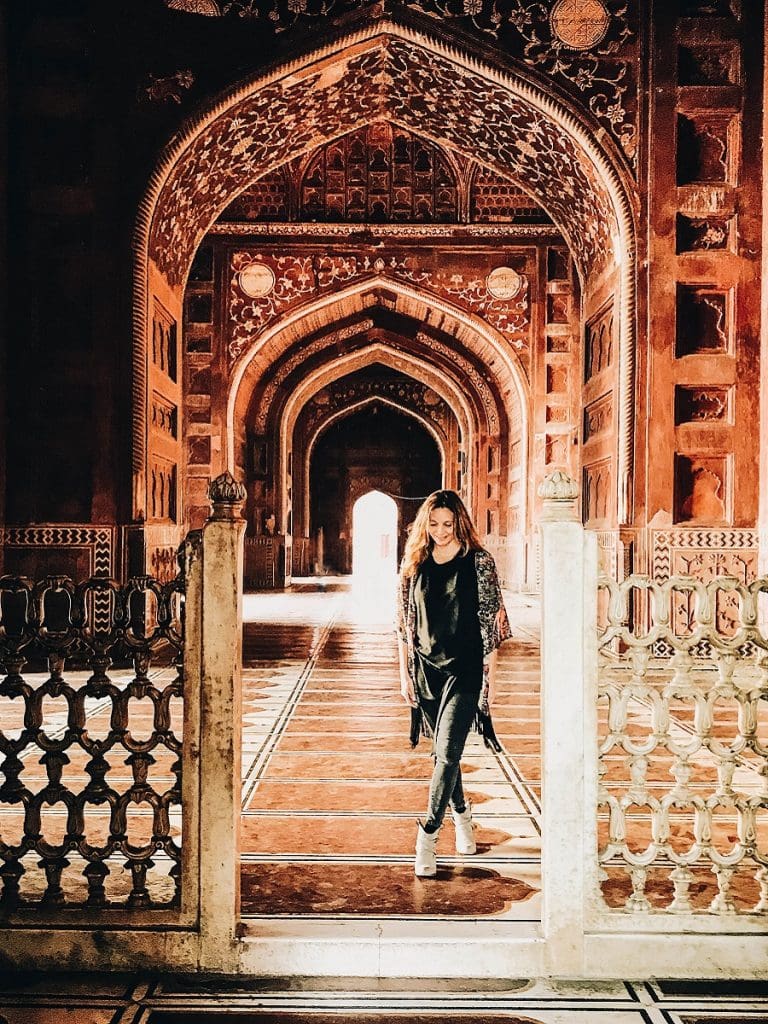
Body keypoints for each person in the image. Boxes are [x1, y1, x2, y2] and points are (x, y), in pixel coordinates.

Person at [396, 489, 511, 878]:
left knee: (446, 752)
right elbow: (403, 624)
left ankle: (427, 833)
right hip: (426, 668)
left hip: (464, 669)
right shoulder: (415, 563)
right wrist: (404, 672)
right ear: (423, 525)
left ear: (459, 523)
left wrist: (490, 679)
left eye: (447, 524)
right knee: (446, 754)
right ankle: (463, 813)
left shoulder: (478, 562)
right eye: (434, 524)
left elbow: (491, 621)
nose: (441, 531)